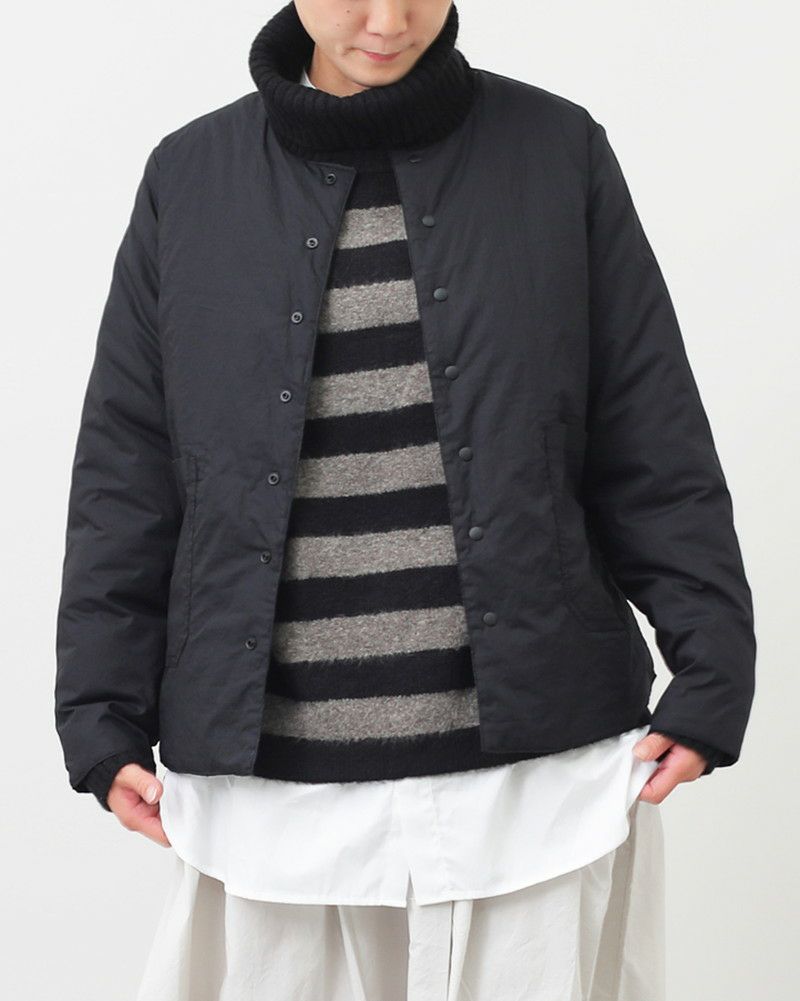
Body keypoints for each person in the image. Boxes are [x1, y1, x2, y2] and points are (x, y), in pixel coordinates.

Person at [54, 3, 755, 999]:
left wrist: (712, 669)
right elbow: (128, 469)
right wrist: (100, 710)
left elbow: (650, 432)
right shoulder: (191, 178)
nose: (388, 19)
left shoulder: (557, 152)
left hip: (534, 783)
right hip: (271, 796)